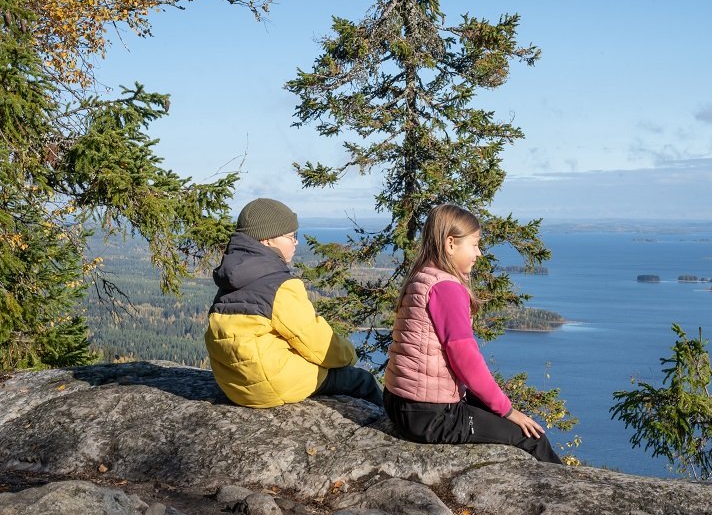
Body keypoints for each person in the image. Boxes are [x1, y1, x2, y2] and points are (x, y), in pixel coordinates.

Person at [383, 204, 563, 463]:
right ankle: (562, 493)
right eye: (475, 244)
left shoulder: (422, 276)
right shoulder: (446, 287)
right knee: (531, 437)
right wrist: (509, 410)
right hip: (428, 415)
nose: (479, 254)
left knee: (489, 408)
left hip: (398, 403)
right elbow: (464, 357)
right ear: (451, 244)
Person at [205, 198, 382, 409]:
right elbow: (316, 343)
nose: (296, 242)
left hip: (233, 385)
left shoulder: (230, 280)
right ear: (267, 240)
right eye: (291, 236)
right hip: (270, 384)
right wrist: (349, 355)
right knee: (361, 380)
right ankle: (386, 426)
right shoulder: (279, 285)